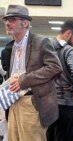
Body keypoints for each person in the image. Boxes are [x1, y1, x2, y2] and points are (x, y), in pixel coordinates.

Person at [2, 4, 63, 141]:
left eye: (12, 19)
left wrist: (24, 81)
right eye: (6, 19)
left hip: (32, 102)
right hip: (13, 102)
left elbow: (55, 67)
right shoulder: (13, 46)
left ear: (25, 23)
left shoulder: (40, 41)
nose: (7, 23)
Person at [46, 20, 73, 141]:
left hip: (48, 102)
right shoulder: (68, 50)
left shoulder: (45, 48)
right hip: (66, 102)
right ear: (68, 33)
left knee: (50, 135)